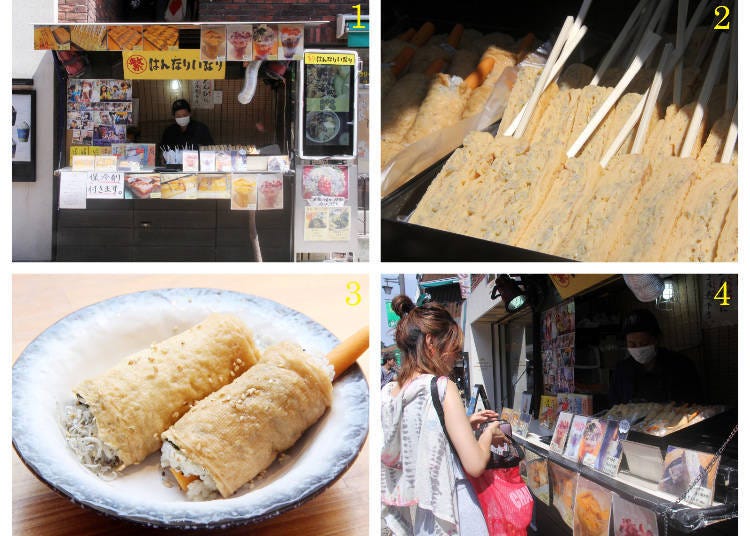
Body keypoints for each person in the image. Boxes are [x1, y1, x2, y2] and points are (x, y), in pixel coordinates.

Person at [381, 295, 506, 535]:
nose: (456, 357)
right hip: (456, 510)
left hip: (424, 515)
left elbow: (417, 439)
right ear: (431, 342)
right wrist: (489, 433)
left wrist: (465, 423)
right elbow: (475, 464)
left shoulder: (390, 392)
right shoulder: (442, 387)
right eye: (454, 349)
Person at [610, 309, 704, 405]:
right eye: (632, 344)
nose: (638, 348)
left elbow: (696, 403)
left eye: (644, 343)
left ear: (656, 340)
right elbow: (615, 408)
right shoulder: (621, 371)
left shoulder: (681, 365)